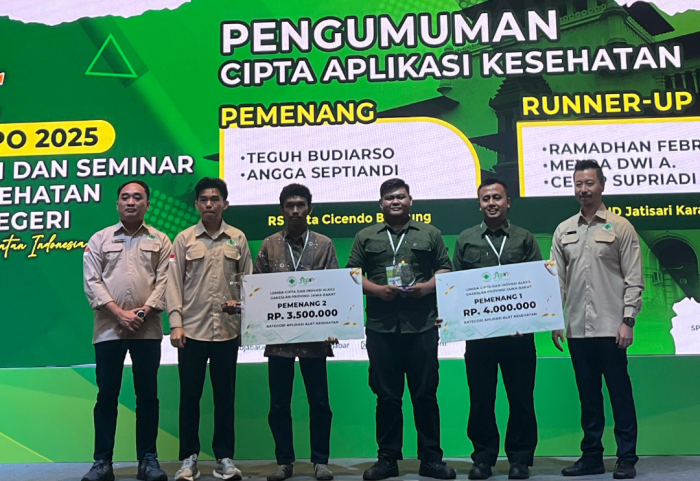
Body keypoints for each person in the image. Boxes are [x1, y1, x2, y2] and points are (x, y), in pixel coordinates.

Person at [346, 178, 456, 481]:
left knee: (425, 395)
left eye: (401, 196)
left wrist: (426, 287)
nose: (395, 201)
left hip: (422, 326)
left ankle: (431, 460)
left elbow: (444, 268)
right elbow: (352, 273)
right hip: (381, 328)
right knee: (387, 397)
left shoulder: (430, 233)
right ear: (380, 203)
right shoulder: (365, 235)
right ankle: (387, 459)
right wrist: (377, 290)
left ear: (410, 201)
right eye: (389, 197)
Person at [551, 160, 644, 480]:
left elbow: (634, 278)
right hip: (577, 329)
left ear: (601, 185)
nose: (583, 190)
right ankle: (591, 456)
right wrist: (555, 318)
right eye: (578, 184)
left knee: (620, 395)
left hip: (611, 328)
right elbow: (557, 280)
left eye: (589, 183)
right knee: (588, 398)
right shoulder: (563, 229)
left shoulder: (621, 226)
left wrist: (628, 320)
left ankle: (626, 458)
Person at [451, 179, 541, 480]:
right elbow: (455, 288)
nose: (492, 203)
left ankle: (520, 459)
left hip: (519, 337)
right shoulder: (466, 239)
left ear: (508, 202)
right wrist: (451, 318)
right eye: (486, 199)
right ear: (479, 204)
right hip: (479, 338)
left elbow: (536, 283)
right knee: (480, 400)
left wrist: (527, 321)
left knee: (521, 399)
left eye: (497, 198)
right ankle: (483, 459)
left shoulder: (525, 238)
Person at [82, 180, 171, 481]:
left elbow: (166, 281)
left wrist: (143, 312)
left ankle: (148, 460)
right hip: (109, 329)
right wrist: (119, 314)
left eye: (137, 197)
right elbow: (92, 281)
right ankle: (102, 463)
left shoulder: (160, 240)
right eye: (125, 197)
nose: (131, 202)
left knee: (147, 396)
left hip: (148, 329)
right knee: (107, 395)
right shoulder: (100, 239)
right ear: (117, 203)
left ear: (148, 204)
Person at [167, 177, 253, 481]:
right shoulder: (184, 238)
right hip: (191, 332)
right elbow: (173, 284)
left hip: (227, 331)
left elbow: (249, 283)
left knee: (224, 398)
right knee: (189, 397)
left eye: (215, 199)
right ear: (196, 205)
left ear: (225, 204)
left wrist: (242, 312)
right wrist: (176, 324)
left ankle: (224, 459)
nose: (209, 204)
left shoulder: (238, 238)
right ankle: (189, 458)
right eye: (203, 199)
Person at [254, 184, 338, 481]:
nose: (295, 210)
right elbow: (257, 289)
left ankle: (321, 461)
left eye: (300, 205)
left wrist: (334, 325)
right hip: (279, 339)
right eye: (289, 205)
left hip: (315, 338)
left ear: (309, 209)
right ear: (282, 210)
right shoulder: (269, 244)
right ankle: (284, 461)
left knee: (319, 402)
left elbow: (335, 288)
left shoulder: (324, 244)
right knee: (279, 404)